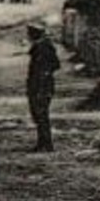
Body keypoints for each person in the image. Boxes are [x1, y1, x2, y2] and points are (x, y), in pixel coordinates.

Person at [26, 24, 60, 152]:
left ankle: (46, 143)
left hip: (42, 85)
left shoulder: (43, 47)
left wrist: (44, 76)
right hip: (38, 85)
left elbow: (54, 65)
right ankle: (43, 142)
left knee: (41, 114)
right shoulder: (42, 46)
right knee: (39, 114)